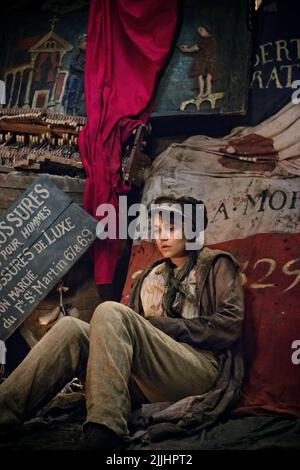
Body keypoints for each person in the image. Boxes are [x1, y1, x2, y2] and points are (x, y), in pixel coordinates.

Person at [0, 196, 244, 450]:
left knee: (110, 310)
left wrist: (162, 326)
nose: (162, 237)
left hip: (197, 369)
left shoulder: (216, 264)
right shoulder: (151, 275)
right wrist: (145, 328)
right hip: (148, 378)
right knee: (70, 327)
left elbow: (230, 325)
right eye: (158, 230)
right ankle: (4, 413)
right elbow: (123, 334)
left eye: (172, 229)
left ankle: (105, 430)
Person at [179, 25, 217, 98]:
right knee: (202, 77)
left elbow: (195, 47)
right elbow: (195, 47)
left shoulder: (208, 40)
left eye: (201, 30)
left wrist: (187, 49)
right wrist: (187, 49)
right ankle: (202, 93)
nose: (200, 33)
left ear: (207, 30)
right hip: (206, 61)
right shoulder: (208, 40)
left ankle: (207, 92)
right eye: (199, 31)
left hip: (208, 61)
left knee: (207, 77)